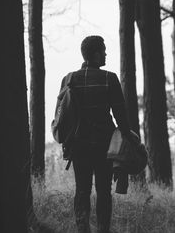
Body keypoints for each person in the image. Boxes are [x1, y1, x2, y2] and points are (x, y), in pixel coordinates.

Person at [57, 35, 132, 233]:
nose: (106, 53)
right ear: (97, 54)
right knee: (103, 192)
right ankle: (103, 230)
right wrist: (130, 138)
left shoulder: (68, 79)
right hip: (103, 147)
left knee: (81, 191)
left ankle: (82, 229)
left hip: (77, 146)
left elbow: (61, 115)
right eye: (104, 50)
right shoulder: (109, 78)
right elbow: (121, 119)